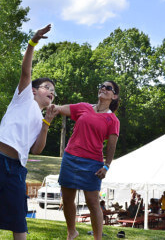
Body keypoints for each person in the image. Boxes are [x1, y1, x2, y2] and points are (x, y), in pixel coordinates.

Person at [0, 25, 58, 240]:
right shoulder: (24, 97)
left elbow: (36, 149)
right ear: (34, 90)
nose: (52, 92)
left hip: (17, 169)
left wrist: (47, 122)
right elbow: (26, 71)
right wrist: (33, 42)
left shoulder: (40, 117)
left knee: (19, 219)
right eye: (48, 87)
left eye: (54, 92)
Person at [55, 81, 120, 240]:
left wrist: (107, 166)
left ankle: (97, 238)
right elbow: (60, 109)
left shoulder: (113, 120)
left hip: (92, 163)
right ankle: (72, 232)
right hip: (70, 158)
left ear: (114, 96)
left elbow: (111, 146)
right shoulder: (84, 107)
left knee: (92, 203)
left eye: (108, 88)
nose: (103, 89)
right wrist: (49, 104)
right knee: (68, 199)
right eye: (102, 86)